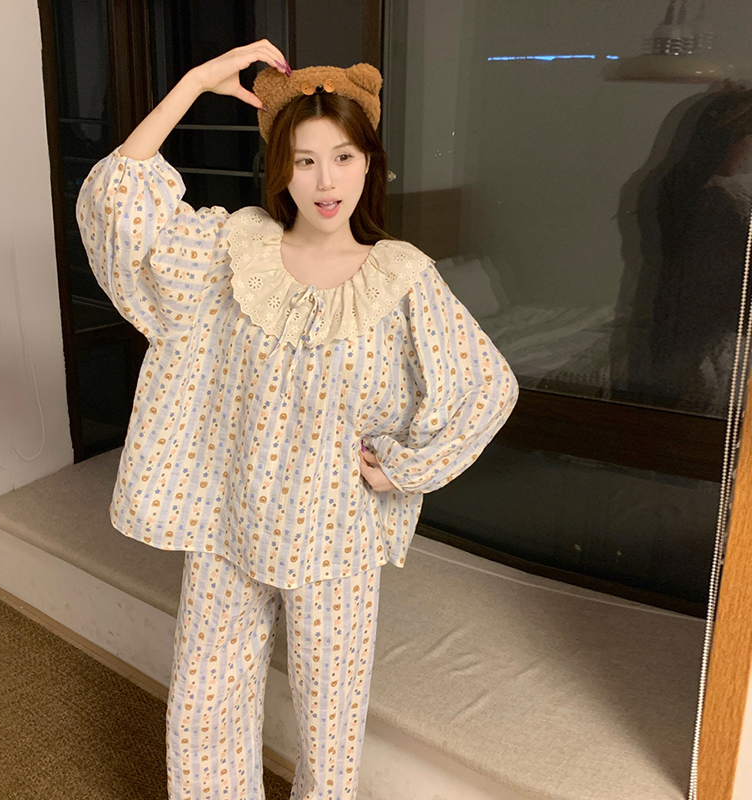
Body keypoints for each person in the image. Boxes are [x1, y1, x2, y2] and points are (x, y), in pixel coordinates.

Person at [77, 38, 518, 800]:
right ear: (280, 167)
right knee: (207, 700)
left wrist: (405, 468)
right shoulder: (227, 252)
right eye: (304, 159)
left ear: (370, 163)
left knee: (330, 724)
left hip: (335, 534)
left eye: (343, 157)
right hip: (229, 520)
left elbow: (487, 388)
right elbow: (121, 206)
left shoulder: (401, 279)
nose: (325, 180)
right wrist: (194, 82)